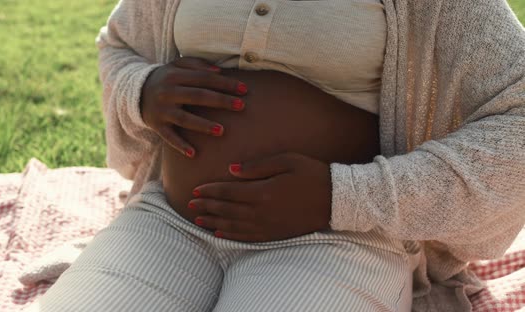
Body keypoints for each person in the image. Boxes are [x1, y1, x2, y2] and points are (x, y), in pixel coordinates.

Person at [37, 0, 525, 311]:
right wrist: (141, 90)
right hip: (166, 222)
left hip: (342, 240)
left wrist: (343, 196)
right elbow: (120, 45)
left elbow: (517, 114)